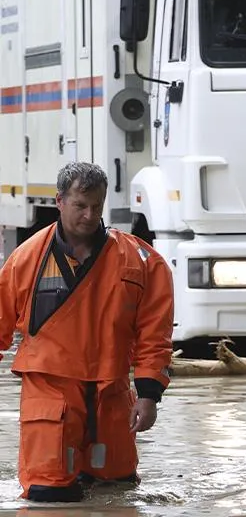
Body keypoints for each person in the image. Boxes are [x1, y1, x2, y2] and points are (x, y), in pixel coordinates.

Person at [0, 162, 174, 502]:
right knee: (47, 496)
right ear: (59, 201)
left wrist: (150, 393)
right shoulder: (26, 259)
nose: (89, 215)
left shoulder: (142, 261)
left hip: (111, 395)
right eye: (80, 205)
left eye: (97, 206)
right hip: (49, 394)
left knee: (117, 494)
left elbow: (155, 334)